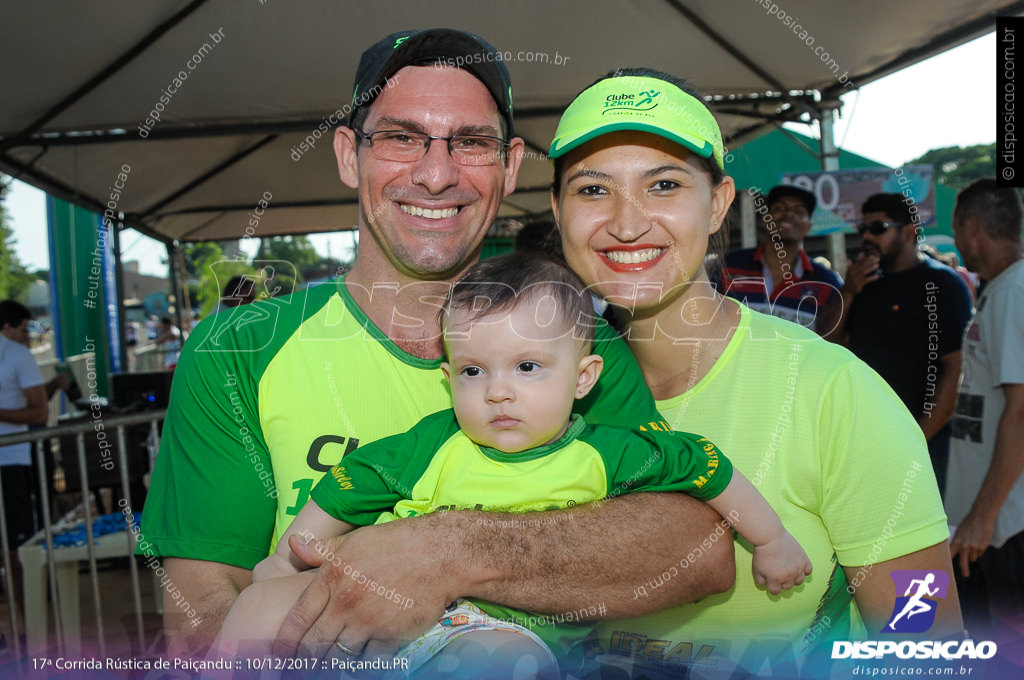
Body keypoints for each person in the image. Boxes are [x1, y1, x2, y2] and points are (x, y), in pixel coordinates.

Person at [141, 29, 734, 662]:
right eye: (401, 138)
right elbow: (200, 610)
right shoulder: (239, 348)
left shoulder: (569, 337)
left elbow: (695, 547)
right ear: (348, 155)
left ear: (508, 167)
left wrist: (452, 551)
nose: (435, 175)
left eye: (472, 143)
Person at [548, 67, 962, 678]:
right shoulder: (520, 386)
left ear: (717, 204)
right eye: (592, 189)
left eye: (663, 185)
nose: (627, 222)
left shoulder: (832, 390)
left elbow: (924, 640)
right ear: (557, 210)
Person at [210, 254, 809, 674]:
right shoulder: (433, 441)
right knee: (256, 606)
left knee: (496, 660)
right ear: (449, 380)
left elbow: (705, 466)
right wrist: (286, 556)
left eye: (527, 368)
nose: (498, 392)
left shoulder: (607, 452)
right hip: (395, 619)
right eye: (474, 371)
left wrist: (772, 538)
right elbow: (348, 485)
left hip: (515, 633)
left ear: (584, 378)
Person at [830, 193, 972, 497]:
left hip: (923, 445)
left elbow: (954, 370)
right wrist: (849, 291)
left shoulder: (942, 284)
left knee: (923, 540)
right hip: (864, 444)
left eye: (878, 227)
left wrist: (915, 442)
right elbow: (826, 345)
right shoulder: (862, 283)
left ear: (909, 231)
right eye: (863, 229)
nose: (867, 236)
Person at [945, 177, 1024, 642]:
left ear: (971, 229)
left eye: (956, 232)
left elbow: (1021, 411)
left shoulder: (1014, 293)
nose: (957, 243)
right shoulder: (1002, 290)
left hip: (1006, 523)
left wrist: (984, 516)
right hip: (992, 518)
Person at [717, 184, 842, 335]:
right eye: (779, 208)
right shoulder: (728, 265)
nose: (789, 214)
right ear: (765, 219)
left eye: (799, 211)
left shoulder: (827, 282)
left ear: (809, 226)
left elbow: (831, 338)